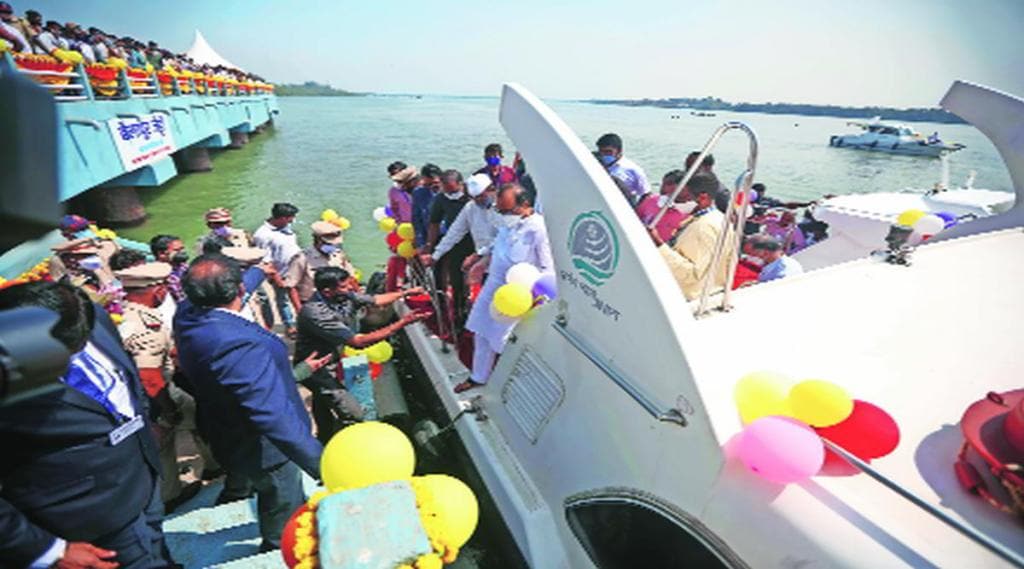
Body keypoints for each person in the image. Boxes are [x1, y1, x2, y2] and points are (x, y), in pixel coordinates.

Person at [0, 281, 174, 569]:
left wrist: (145, 418)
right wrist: (46, 550)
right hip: (87, 522)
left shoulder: (85, 315)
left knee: (158, 552)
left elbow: (127, 372)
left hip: (144, 477)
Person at [174, 254, 323, 551]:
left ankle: (233, 497)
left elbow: (229, 295)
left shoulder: (186, 312)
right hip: (263, 448)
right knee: (282, 502)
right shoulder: (237, 344)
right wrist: (323, 465)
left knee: (239, 477)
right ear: (238, 291)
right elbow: (271, 415)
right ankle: (274, 548)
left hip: (221, 426)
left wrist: (257, 272)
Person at [295, 267, 429, 443]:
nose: (350, 288)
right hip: (316, 369)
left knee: (322, 402)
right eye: (344, 286)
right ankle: (353, 442)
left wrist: (406, 292)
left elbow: (376, 300)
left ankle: (324, 436)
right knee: (353, 411)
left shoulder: (344, 296)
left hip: (332, 358)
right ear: (327, 291)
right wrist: (403, 322)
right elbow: (358, 342)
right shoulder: (315, 312)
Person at [114, 262, 207, 515]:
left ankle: (175, 489)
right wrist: (168, 409)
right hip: (159, 392)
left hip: (133, 394)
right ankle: (176, 491)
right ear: (157, 290)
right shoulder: (148, 328)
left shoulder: (122, 313)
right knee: (189, 424)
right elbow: (150, 376)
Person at [458, 183, 553, 392]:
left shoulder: (539, 230)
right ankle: (478, 376)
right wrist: (479, 259)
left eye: (507, 210)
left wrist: (536, 301)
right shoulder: (507, 223)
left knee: (503, 341)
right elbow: (496, 245)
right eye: (499, 210)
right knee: (480, 331)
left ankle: (510, 385)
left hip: (517, 295)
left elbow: (548, 270)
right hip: (493, 285)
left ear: (525, 205)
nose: (503, 214)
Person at [650, 172, 732, 301]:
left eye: (680, 198)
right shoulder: (719, 219)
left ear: (702, 197)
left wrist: (658, 244)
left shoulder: (703, 228)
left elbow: (692, 274)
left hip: (691, 298)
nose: (674, 203)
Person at [422, 173, 499, 293]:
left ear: (491, 189)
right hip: (483, 266)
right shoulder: (471, 208)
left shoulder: (504, 207)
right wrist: (435, 256)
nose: (478, 200)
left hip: (501, 261)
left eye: (481, 196)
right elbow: (454, 233)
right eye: (474, 197)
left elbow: (504, 237)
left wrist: (478, 255)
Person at [420, 169, 473, 326]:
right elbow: (434, 223)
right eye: (447, 191)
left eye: (454, 191)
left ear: (461, 184)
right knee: (457, 281)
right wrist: (430, 247)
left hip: (478, 244)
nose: (451, 195)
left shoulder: (474, 197)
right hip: (455, 244)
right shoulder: (441, 199)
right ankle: (459, 314)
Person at [253, 202, 303, 334]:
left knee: (301, 295)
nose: (293, 220)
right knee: (283, 300)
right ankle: (290, 326)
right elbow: (265, 258)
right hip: (281, 272)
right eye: (291, 217)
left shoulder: (287, 227)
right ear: (282, 218)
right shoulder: (262, 234)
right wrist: (276, 278)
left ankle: (304, 320)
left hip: (297, 267)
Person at [295, 221, 356, 302]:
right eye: (329, 244)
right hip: (312, 302)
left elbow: (351, 277)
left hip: (337, 300)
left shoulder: (339, 255)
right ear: (317, 240)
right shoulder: (302, 258)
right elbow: (292, 287)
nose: (332, 247)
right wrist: (300, 310)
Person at [635, 169, 696, 243]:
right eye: (663, 184)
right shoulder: (651, 201)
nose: (663, 188)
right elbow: (635, 219)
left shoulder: (690, 211)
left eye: (669, 184)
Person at [386, 166, 419, 291]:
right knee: (401, 256)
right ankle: (401, 283)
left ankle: (421, 285)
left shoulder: (420, 192)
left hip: (419, 229)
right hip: (404, 230)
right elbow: (393, 209)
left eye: (401, 182)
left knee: (419, 259)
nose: (399, 184)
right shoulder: (393, 192)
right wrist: (398, 226)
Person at [596, 133, 651, 202]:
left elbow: (646, 194)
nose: (604, 155)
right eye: (601, 151)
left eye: (608, 152)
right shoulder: (595, 163)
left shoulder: (633, 170)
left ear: (619, 151)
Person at [412, 163, 443, 248]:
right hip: (429, 239)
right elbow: (417, 220)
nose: (431, 188)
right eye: (427, 185)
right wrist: (421, 244)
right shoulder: (418, 193)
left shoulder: (449, 192)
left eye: (435, 184)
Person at [151, 234, 189, 302]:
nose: (182, 252)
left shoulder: (182, 265)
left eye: (182, 248)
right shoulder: (160, 276)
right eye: (177, 250)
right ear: (162, 254)